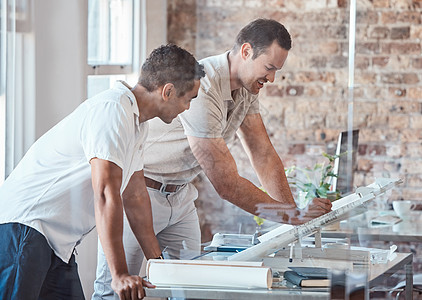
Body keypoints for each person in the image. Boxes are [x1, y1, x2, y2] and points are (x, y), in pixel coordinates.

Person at [93, 19, 332, 299]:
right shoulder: (204, 84)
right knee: (117, 290)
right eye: (269, 68)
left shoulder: (246, 88)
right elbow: (226, 184)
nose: (272, 79)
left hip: (181, 196)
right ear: (246, 52)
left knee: (192, 289)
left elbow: (262, 153)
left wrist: (293, 219)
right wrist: (292, 216)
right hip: (141, 192)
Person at [0, 44, 205, 300]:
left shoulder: (137, 125)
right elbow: (106, 192)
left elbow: (135, 198)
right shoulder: (112, 110)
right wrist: (119, 274)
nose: (187, 108)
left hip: (57, 244)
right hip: (24, 229)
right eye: (189, 99)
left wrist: (160, 264)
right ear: (168, 91)